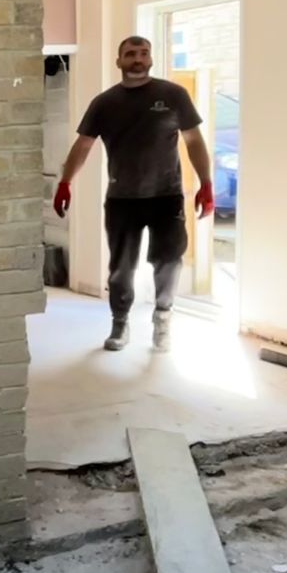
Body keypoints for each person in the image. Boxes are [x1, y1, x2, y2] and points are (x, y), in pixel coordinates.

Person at [52, 35, 214, 352]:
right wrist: (65, 182)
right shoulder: (105, 103)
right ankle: (120, 324)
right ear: (119, 61)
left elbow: (194, 141)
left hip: (166, 198)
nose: (137, 58)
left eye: (143, 53)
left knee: (169, 260)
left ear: (150, 59)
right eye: (130, 54)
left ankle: (163, 319)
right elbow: (83, 146)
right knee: (121, 268)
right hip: (122, 200)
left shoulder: (173, 95)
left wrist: (206, 183)